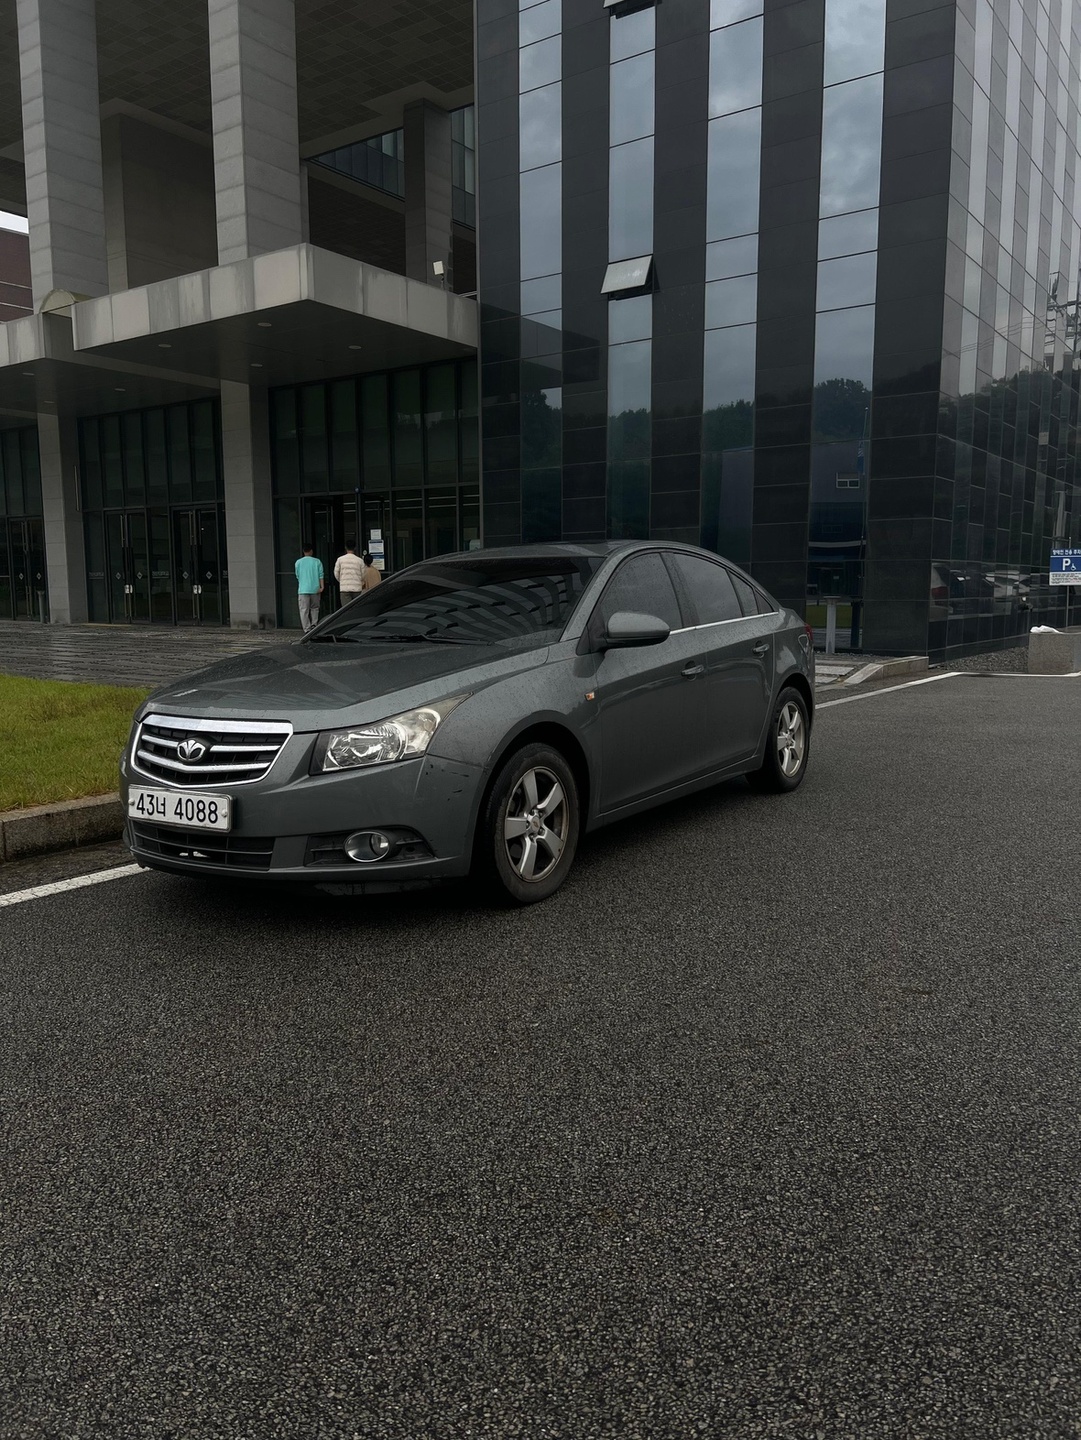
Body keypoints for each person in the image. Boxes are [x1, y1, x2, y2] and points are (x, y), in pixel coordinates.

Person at [294, 543, 324, 631]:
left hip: (303, 589)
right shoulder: (317, 561)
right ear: (311, 551)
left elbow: (297, 575)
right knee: (315, 608)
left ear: (303, 551)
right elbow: (321, 575)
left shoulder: (298, 562)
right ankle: (314, 625)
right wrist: (322, 587)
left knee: (304, 610)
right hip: (315, 589)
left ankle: (307, 629)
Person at [334, 541, 365, 606]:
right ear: (355, 548)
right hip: (357, 588)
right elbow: (363, 574)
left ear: (345, 548)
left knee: (346, 609)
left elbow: (336, 573)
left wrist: (342, 580)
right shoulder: (360, 560)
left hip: (345, 588)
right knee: (356, 609)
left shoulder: (340, 559)